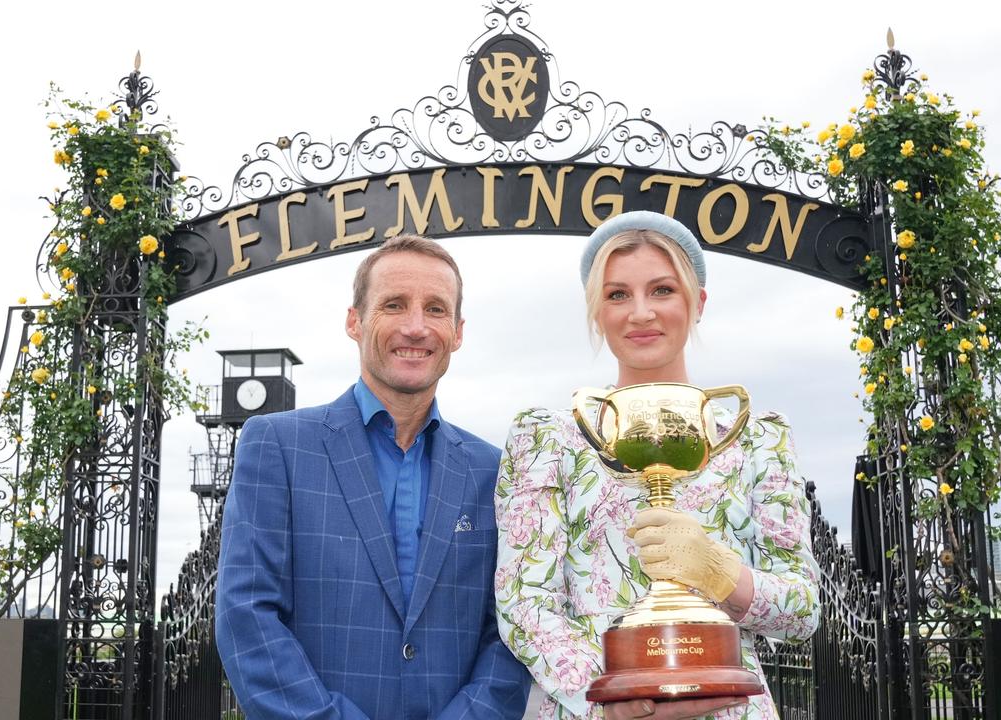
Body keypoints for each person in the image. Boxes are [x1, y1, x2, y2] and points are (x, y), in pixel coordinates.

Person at [493, 211, 820, 720]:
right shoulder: (547, 438)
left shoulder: (758, 438)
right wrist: (615, 705)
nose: (640, 313)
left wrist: (718, 570)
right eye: (617, 294)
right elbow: (525, 602)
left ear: (698, 304)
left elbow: (802, 611)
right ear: (596, 311)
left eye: (662, 290)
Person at [216, 235, 530, 719]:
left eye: (436, 309)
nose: (416, 327)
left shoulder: (494, 472)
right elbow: (247, 617)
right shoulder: (277, 446)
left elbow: (510, 630)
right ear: (354, 320)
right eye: (394, 305)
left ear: (459, 331)